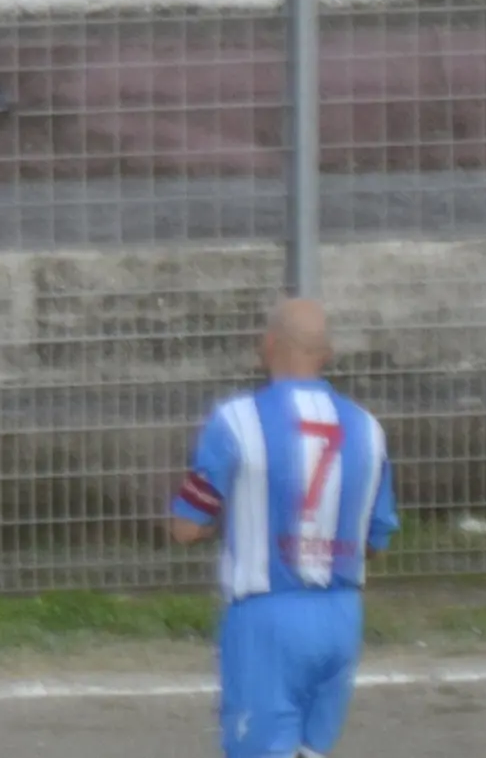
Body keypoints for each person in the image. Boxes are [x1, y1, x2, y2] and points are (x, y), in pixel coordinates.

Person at [169, 299, 397, 758]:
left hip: (267, 621)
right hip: (341, 619)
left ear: (267, 346)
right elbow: (376, 540)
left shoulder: (235, 421)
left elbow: (185, 528)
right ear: (327, 352)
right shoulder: (369, 430)